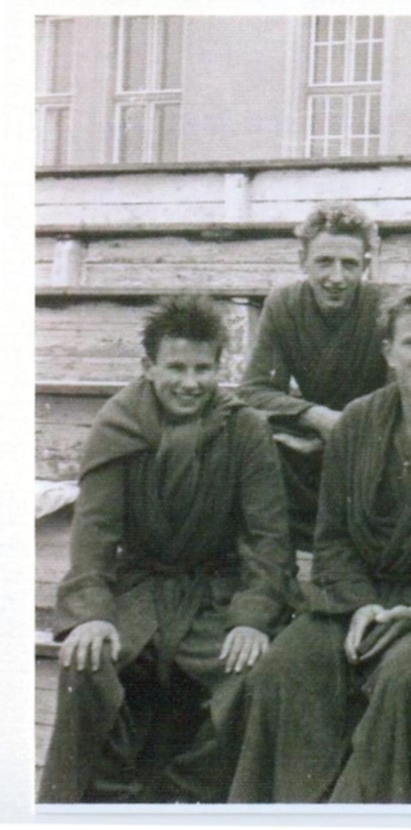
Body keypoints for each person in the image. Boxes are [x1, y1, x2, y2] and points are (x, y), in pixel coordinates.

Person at [228, 288, 411, 803]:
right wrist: (362, 604)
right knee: (285, 665)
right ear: (387, 352)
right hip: (355, 602)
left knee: (402, 679)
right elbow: (332, 538)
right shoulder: (356, 423)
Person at [39, 295, 294, 803]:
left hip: (212, 592)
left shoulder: (245, 428)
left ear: (221, 369)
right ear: (147, 367)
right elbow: (94, 534)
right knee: (88, 659)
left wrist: (251, 616)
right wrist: (91, 611)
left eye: (204, 369)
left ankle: (188, 798)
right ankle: (108, 801)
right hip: (142, 588)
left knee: (254, 671)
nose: (190, 382)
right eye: (175, 367)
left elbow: (268, 539)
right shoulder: (119, 424)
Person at [238, 201, 390, 550]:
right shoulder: (284, 304)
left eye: (349, 264)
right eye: (324, 262)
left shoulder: (384, 307)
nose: (336, 278)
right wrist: (315, 416)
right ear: (302, 260)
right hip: (309, 440)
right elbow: (254, 389)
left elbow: (398, 396)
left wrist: (347, 426)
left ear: (366, 265)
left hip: (369, 442)